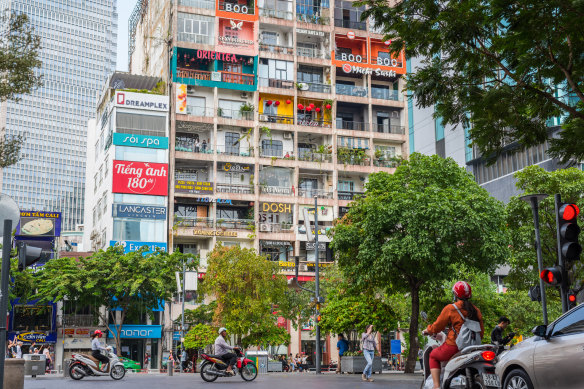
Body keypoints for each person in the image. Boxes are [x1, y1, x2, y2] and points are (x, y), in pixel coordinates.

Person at [422, 281, 484, 389]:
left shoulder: (451, 308)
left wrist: (428, 330)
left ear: (455, 294)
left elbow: (437, 327)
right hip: (473, 347)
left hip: (454, 346)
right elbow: (481, 332)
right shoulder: (476, 310)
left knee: (433, 356)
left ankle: (436, 386)